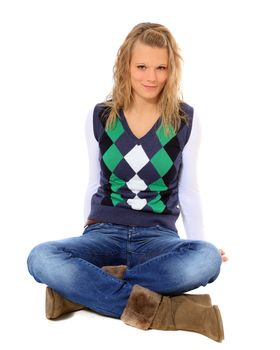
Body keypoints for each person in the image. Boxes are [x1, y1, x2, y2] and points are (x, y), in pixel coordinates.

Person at [27, 22, 228, 342]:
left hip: (158, 237)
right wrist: (88, 239)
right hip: (103, 232)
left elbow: (189, 190)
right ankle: (163, 311)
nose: (152, 77)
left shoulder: (185, 120)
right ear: (125, 65)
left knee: (206, 259)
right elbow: (93, 182)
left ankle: (82, 292)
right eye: (142, 66)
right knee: (40, 257)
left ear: (172, 69)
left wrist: (200, 243)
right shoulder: (101, 116)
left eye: (161, 67)